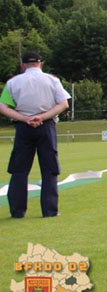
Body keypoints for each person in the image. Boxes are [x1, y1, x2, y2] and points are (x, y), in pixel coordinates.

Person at [0, 52, 70, 218]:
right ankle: (50, 210)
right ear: (41, 64)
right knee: (49, 169)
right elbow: (63, 104)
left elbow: (3, 107)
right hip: (46, 126)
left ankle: (17, 211)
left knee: (19, 170)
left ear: (22, 65)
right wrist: (43, 117)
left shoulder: (13, 82)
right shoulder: (52, 80)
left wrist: (25, 118)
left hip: (23, 127)